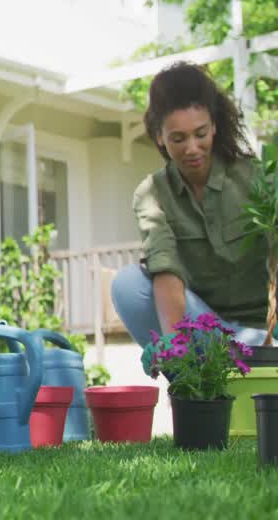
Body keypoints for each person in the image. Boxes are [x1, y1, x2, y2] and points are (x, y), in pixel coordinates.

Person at [112, 61, 272, 348]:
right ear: (160, 137)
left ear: (214, 126)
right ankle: (200, 372)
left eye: (200, 134)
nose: (192, 148)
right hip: (207, 331)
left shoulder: (256, 178)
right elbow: (165, 271)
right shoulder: (152, 194)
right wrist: (176, 347)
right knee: (127, 285)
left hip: (266, 332)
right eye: (178, 138)